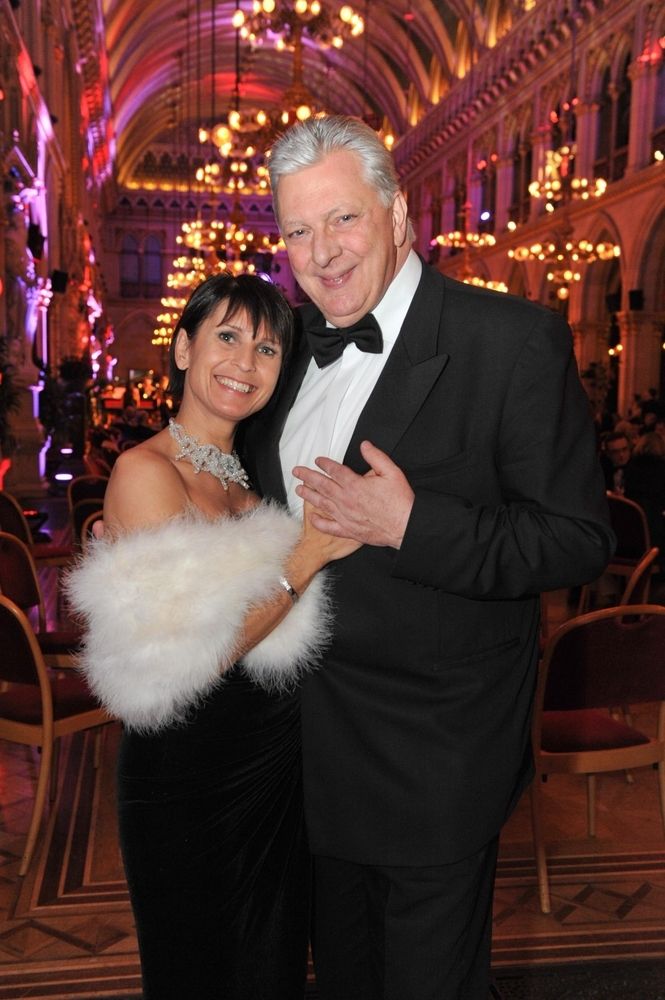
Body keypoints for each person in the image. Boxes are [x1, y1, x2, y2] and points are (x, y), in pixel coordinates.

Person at [241, 115, 614, 1000]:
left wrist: (413, 525)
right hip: (298, 752)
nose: (321, 252)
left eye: (343, 218)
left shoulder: (510, 340)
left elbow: (576, 537)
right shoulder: (282, 350)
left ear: (398, 214)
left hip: (432, 760)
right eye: (298, 230)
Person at [66, 273, 358, 999]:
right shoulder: (144, 470)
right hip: (187, 778)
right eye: (227, 337)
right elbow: (189, 655)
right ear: (183, 349)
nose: (245, 363)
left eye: (267, 349)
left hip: (271, 768)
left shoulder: (252, 482)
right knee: (199, 974)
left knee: (270, 969)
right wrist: (306, 558)